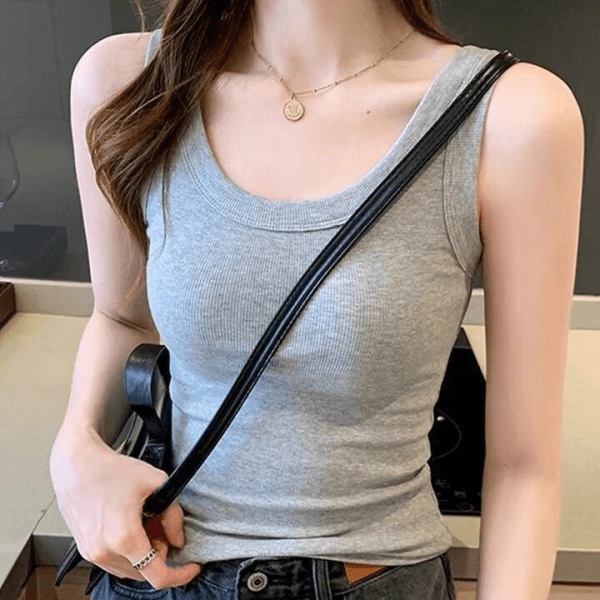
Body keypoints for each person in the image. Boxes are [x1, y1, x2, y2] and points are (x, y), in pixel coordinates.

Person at [49, 1, 584, 599]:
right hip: (161, 572)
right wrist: (75, 449)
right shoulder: (127, 82)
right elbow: (120, 315)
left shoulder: (513, 117)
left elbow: (523, 467)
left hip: (370, 578)